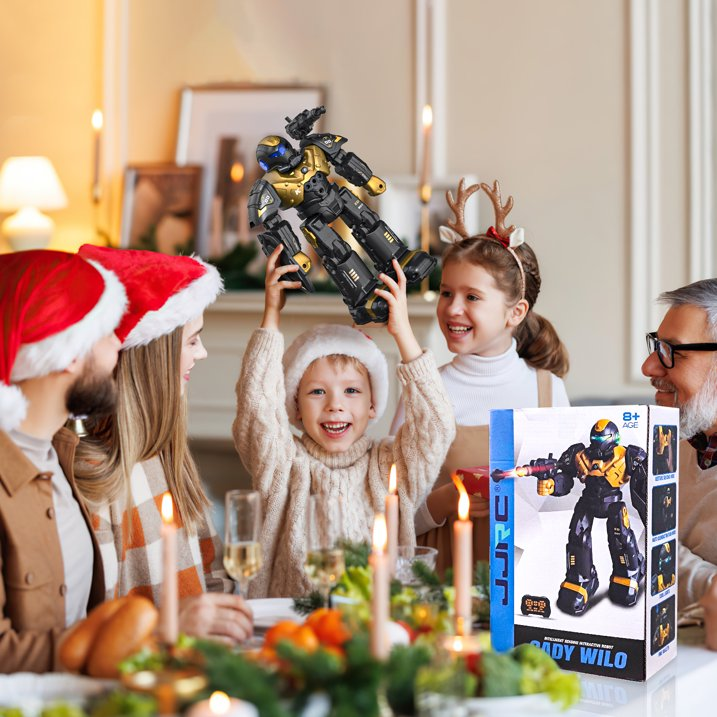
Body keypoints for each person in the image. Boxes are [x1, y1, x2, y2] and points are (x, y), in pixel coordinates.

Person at [233, 244, 456, 597]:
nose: (335, 405)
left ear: (373, 404)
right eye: (317, 392)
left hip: (376, 621)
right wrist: (271, 315)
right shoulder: (283, 464)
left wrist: (403, 332)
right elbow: (255, 408)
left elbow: (436, 426)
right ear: (295, 406)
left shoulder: (391, 466)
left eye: (351, 391)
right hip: (290, 622)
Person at [74, 245, 253, 645]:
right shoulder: (94, 478)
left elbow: (211, 574)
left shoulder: (168, 457)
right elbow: (97, 623)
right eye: (193, 341)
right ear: (153, 356)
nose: (203, 353)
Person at [391, 179, 570, 573]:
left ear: (515, 312)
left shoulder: (548, 390)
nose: (452, 308)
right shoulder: (423, 391)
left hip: (525, 581)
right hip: (441, 580)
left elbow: (566, 503)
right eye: (446, 293)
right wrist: (439, 503)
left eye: (472, 297)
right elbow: (391, 508)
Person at [0, 249, 126, 672]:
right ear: (70, 352)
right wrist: (147, 637)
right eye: (107, 331)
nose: (118, 344)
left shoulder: (59, 453)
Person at [641, 278, 717, 613]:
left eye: (673, 352)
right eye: (657, 346)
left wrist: (645, 545)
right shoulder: (667, 443)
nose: (648, 367)